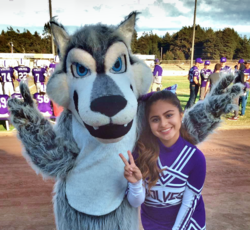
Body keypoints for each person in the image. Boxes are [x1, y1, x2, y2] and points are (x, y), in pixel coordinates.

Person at [120, 90, 206, 230]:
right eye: (155, 119)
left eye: (169, 115)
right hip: (153, 225)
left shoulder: (195, 158)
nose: (163, 124)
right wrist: (135, 184)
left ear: (181, 115)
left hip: (188, 225)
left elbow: (189, 205)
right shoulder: (140, 153)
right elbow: (136, 203)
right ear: (148, 123)